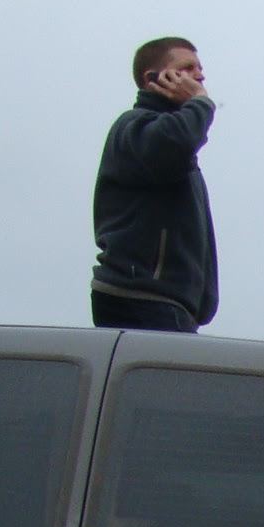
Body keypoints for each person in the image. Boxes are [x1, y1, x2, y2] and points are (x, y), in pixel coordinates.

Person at [91, 37, 219, 333]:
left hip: (170, 305)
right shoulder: (136, 127)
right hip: (141, 297)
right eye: (187, 68)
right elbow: (176, 142)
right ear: (153, 79)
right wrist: (200, 103)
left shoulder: (173, 142)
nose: (200, 76)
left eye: (200, 68)